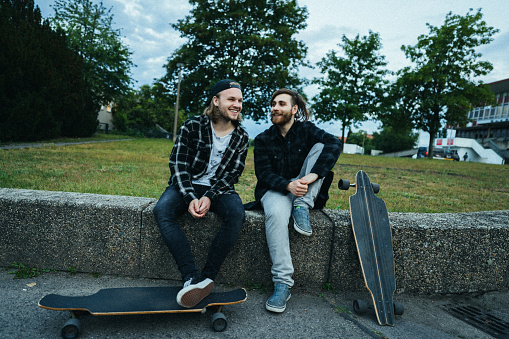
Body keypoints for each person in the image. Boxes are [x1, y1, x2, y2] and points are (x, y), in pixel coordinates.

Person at [153, 79, 249, 308]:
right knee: (163, 210)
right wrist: (189, 197)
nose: (237, 105)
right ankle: (191, 277)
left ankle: (207, 278)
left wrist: (209, 196)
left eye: (240, 100)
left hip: (219, 188)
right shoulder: (193, 126)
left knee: (236, 214)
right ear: (216, 101)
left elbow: (232, 175)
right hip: (186, 184)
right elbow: (178, 165)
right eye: (232, 99)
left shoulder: (241, 137)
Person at [251, 88, 341, 313]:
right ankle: (283, 283)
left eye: (281, 104)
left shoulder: (307, 130)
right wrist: (287, 185)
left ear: (294, 109)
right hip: (276, 190)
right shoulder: (263, 139)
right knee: (277, 214)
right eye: (273, 104)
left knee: (322, 146)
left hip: (305, 189)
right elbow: (264, 174)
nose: (275, 108)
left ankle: (302, 205)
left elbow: (334, 144)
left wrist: (310, 177)